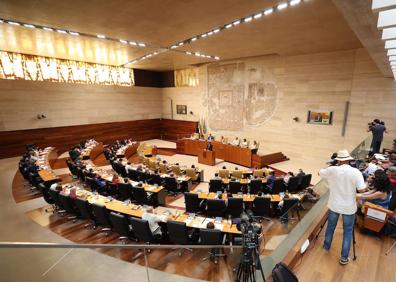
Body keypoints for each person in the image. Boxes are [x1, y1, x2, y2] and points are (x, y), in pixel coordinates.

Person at [319, 149, 366, 265]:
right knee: (348, 232)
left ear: (338, 161)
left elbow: (319, 172)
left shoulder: (332, 170)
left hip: (334, 205)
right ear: (349, 160)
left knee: (330, 227)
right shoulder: (356, 172)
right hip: (349, 207)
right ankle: (344, 258)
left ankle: (326, 246)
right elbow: (362, 189)